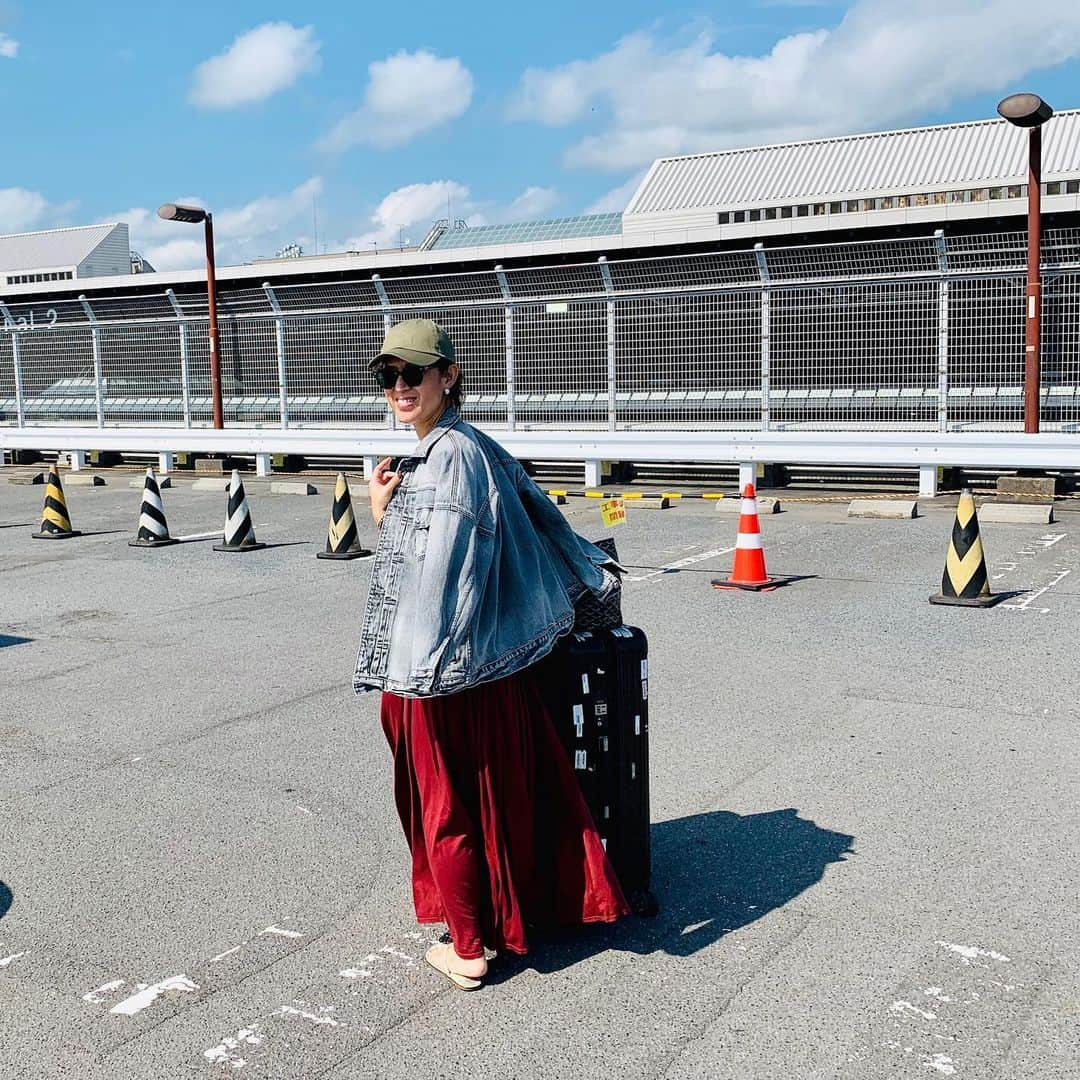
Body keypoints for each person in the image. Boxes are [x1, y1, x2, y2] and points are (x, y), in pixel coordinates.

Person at [354, 318, 630, 991]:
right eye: (388, 376)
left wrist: (384, 518)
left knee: (444, 805)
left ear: (449, 376)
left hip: (439, 674)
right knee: (496, 797)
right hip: (491, 668)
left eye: (413, 373)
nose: (399, 387)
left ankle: (470, 948)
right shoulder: (472, 445)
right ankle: (503, 917)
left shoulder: (443, 460)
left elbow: (436, 577)